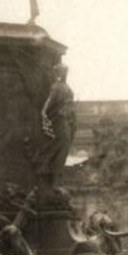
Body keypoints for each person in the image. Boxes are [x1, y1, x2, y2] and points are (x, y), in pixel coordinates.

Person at [37, 63, 77, 191]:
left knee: (64, 147)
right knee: (61, 144)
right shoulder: (57, 87)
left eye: (66, 71)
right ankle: (51, 175)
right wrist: (44, 111)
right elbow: (49, 101)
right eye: (62, 71)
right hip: (59, 120)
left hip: (67, 119)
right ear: (58, 73)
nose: (65, 74)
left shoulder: (68, 88)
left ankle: (55, 176)